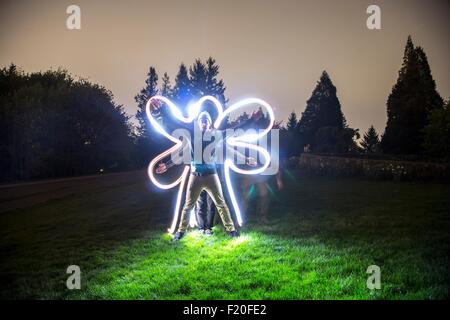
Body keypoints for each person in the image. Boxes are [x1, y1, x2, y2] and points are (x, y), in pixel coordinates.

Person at [155, 110, 259, 241]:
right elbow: (175, 127)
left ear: (210, 123)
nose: (204, 122)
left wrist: (251, 120)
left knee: (221, 204)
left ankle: (231, 230)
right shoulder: (192, 135)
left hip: (211, 176)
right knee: (188, 206)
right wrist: (160, 111)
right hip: (195, 176)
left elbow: (236, 129)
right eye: (202, 120)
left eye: (206, 120)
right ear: (198, 123)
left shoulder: (217, 135)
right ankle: (180, 232)